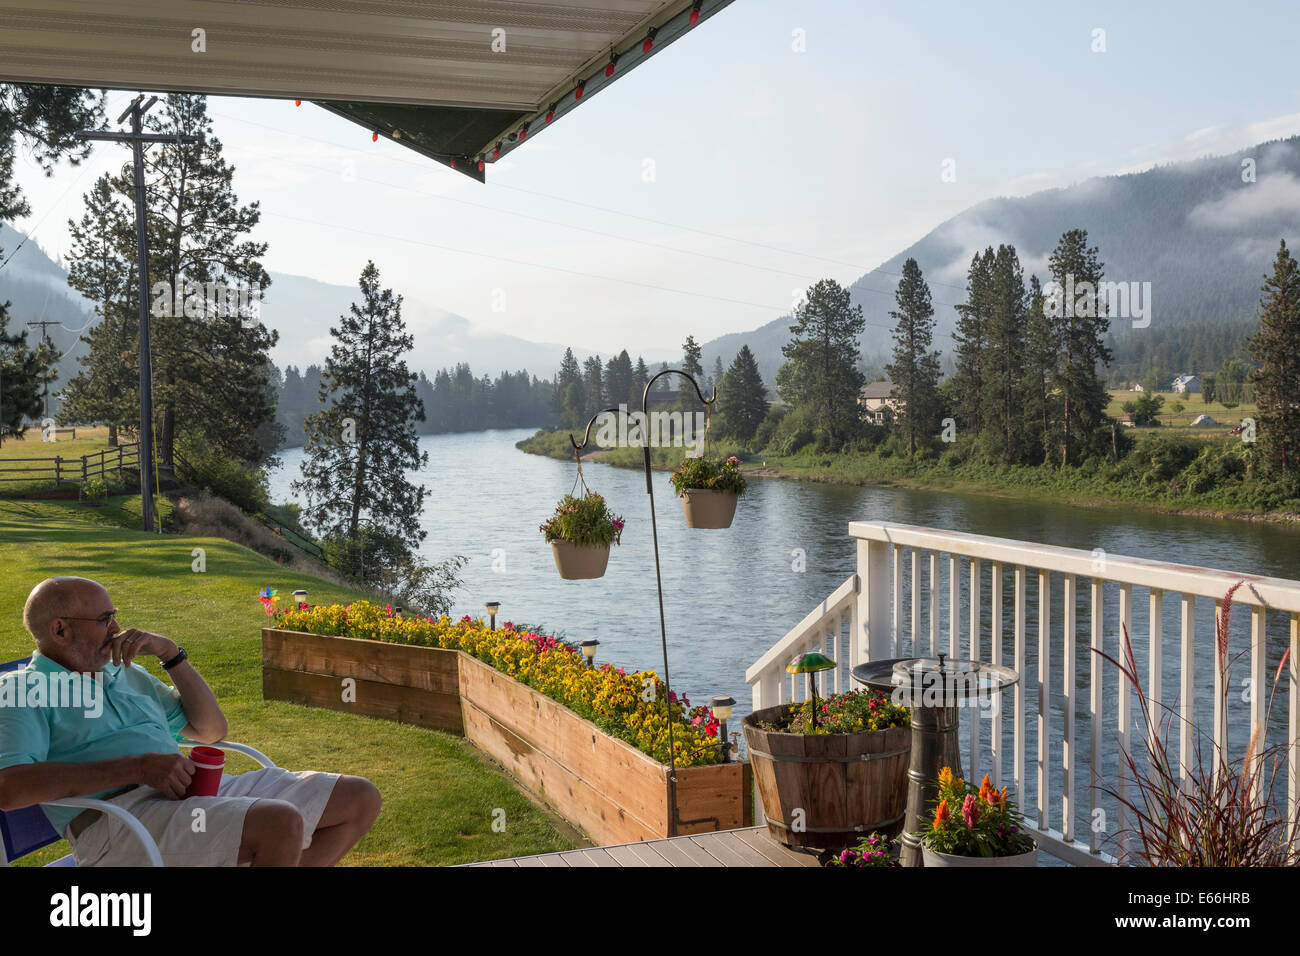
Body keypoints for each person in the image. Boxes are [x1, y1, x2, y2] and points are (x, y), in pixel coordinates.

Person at [0, 577, 381, 866]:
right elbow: (9, 789)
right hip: (118, 824)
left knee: (359, 797)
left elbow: (211, 730)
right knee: (279, 823)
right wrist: (137, 768)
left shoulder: (122, 674)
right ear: (60, 630)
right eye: (105, 620)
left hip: (187, 798)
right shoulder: (23, 690)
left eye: (114, 618)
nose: (117, 629)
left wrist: (170, 653)